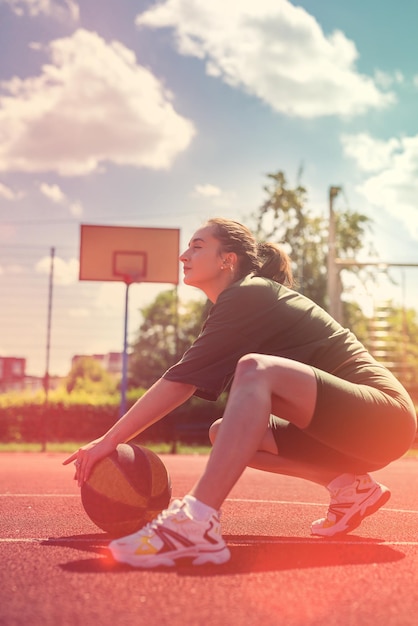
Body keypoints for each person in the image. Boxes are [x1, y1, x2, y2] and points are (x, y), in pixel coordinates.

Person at [64, 217, 417, 568]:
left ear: (227, 260)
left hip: (385, 419)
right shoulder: (238, 303)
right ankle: (349, 487)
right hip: (348, 436)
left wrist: (108, 440)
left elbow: (180, 382)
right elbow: (185, 378)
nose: (184, 255)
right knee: (223, 432)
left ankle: (196, 523)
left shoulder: (250, 293)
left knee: (255, 369)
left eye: (197, 246)